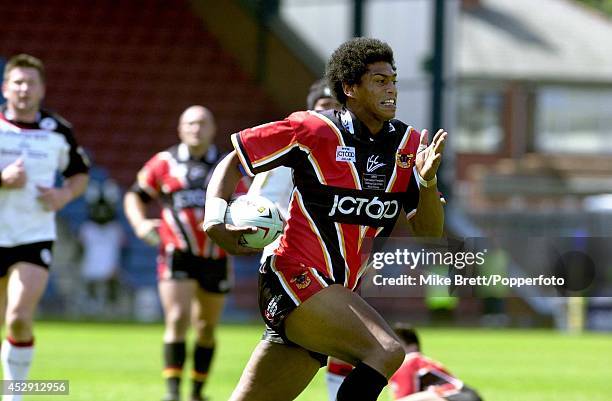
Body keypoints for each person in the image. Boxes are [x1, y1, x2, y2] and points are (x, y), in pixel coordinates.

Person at [203, 37, 447, 401]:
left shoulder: (408, 146)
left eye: (393, 80)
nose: (392, 89)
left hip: (336, 290)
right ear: (350, 88)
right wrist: (214, 220)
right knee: (387, 349)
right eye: (380, 81)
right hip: (292, 273)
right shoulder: (313, 130)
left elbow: (429, 231)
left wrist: (426, 184)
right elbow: (235, 159)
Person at [124, 106, 230, 401]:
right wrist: (139, 223)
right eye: (190, 123)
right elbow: (135, 194)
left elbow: (246, 201)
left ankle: (197, 392)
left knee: (206, 327)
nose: (196, 128)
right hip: (176, 252)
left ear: (213, 128)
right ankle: (172, 393)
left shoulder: (227, 164)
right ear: (180, 129)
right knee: (178, 318)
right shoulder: (164, 162)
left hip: (216, 255)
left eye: (202, 123)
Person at [0, 54, 89, 400]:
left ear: (42, 90)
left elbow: (79, 174)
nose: (24, 89)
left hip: (33, 236)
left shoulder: (58, 130)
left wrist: (64, 194)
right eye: (17, 82)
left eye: (30, 83)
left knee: (19, 317)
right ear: (6, 87)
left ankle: (14, 394)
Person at [389, 325, 483, 401]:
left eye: (396, 345)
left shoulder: (409, 362)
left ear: (413, 347)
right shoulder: (421, 362)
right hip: (466, 395)